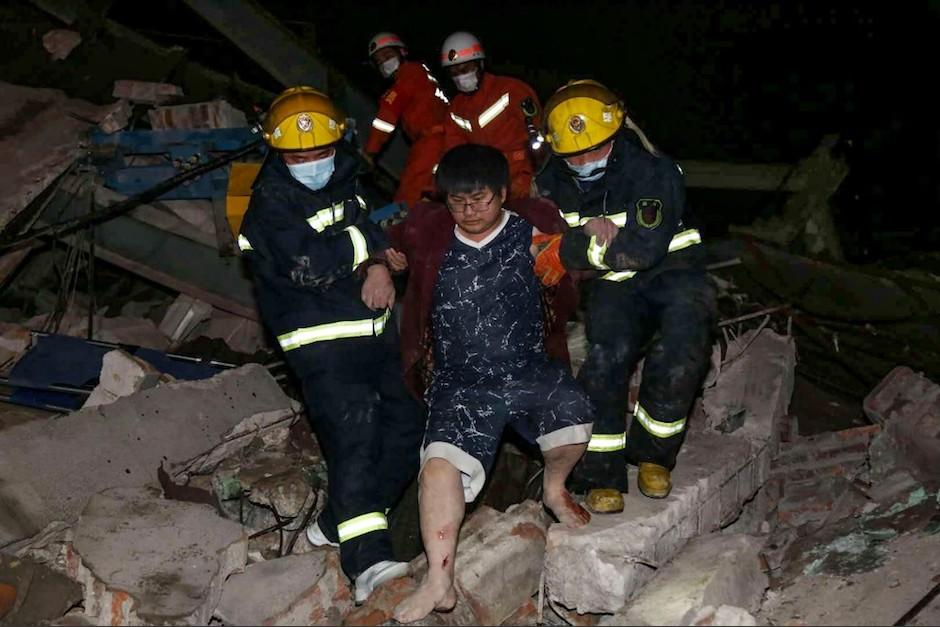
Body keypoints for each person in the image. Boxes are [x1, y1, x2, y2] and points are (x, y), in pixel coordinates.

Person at [390, 144, 593, 623]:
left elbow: (584, 260)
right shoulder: (428, 227)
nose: (469, 211)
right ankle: (439, 582)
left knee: (575, 418)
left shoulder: (536, 223)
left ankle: (555, 487)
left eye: (480, 200)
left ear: (503, 193)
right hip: (461, 382)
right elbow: (388, 242)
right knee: (437, 471)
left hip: (528, 368)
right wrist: (380, 265)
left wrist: (582, 248)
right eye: (458, 201)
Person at [237, 86, 424, 604]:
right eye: (299, 155)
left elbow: (359, 231)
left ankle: (337, 523)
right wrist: (376, 249)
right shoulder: (269, 203)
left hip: (372, 331)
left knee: (410, 423)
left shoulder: (346, 184)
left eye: (321, 151)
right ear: (278, 152)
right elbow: (309, 265)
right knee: (356, 437)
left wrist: (380, 264)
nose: (312, 162)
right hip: (321, 345)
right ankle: (368, 562)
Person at [535, 80, 717, 506]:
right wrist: (580, 241)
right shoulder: (549, 184)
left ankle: (654, 456)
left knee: (684, 340)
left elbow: (642, 249)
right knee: (606, 353)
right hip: (611, 286)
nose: (583, 160)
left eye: (594, 148)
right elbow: (540, 249)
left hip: (674, 273)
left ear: (615, 133)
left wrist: (577, 245)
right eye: (573, 154)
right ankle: (602, 474)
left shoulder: (652, 171)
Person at [439, 31, 542, 200]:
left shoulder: (511, 90)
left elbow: (537, 134)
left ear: (480, 64)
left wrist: (535, 176)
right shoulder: (455, 109)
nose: (460, 76)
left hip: (524, 176)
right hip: (487, 184)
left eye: (465, 68)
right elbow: (453, 154)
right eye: (454, 72)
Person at [364, 32, 451, 209]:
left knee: (408, 197)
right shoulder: (423, 75)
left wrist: (369, 153)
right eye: (379, 61)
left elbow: (386, 117)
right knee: (430, 196)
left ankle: (392, 232)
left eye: (388, 55)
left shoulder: (407, 76)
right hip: (448, 141)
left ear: (402, 52)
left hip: (431, 144)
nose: (384, 62)